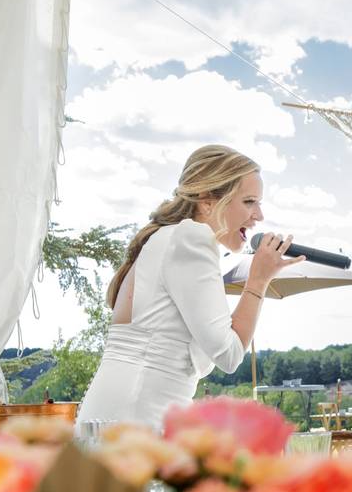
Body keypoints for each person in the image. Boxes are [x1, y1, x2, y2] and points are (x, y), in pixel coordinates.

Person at [77, 145, 304, 429]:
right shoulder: (192, 239)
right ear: (207, 201)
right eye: (249, 202)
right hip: (138, 419)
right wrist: (258, 281)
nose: (258, 215)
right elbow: (229, 355)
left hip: (118, 412)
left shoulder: (170, 239)